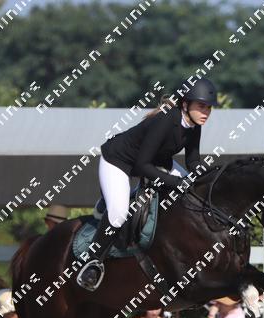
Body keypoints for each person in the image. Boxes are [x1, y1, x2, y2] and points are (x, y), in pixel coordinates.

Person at [76, 78, 217, 291]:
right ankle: (93, 263)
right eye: (201, 106)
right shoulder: (165, 120)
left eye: (209, 107)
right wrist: (177, 182)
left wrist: (210, 177)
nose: (206, 112)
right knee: (119, 213)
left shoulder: (194, 125)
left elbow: (193, 161)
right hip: (118, 161)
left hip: (155, 161)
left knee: (194, 192)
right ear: (185, 104)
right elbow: (142, 166)